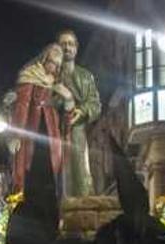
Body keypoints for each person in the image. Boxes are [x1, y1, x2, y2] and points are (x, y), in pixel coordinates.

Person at [8, 43, 70, 192]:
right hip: (33, 129)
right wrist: (16, 135)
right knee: (30, 168)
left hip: (50, 131)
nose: (53, 68)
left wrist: (67, 98)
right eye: (51, 63)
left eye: (57, 65)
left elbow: (63, 110)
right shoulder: (30, 75)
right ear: (44, 59)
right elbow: (22, 106)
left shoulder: (54, 82)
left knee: (50, 169)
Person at [56, 29, 101, 197]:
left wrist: (82, 111)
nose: (67, 47)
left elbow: (95, 104)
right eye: (63, 44)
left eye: (70, 44)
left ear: (76, 48)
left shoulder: (86, 76)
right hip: (54, 130)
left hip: (77, 130)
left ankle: (80, 208)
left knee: (79, 174)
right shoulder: (50, 75)